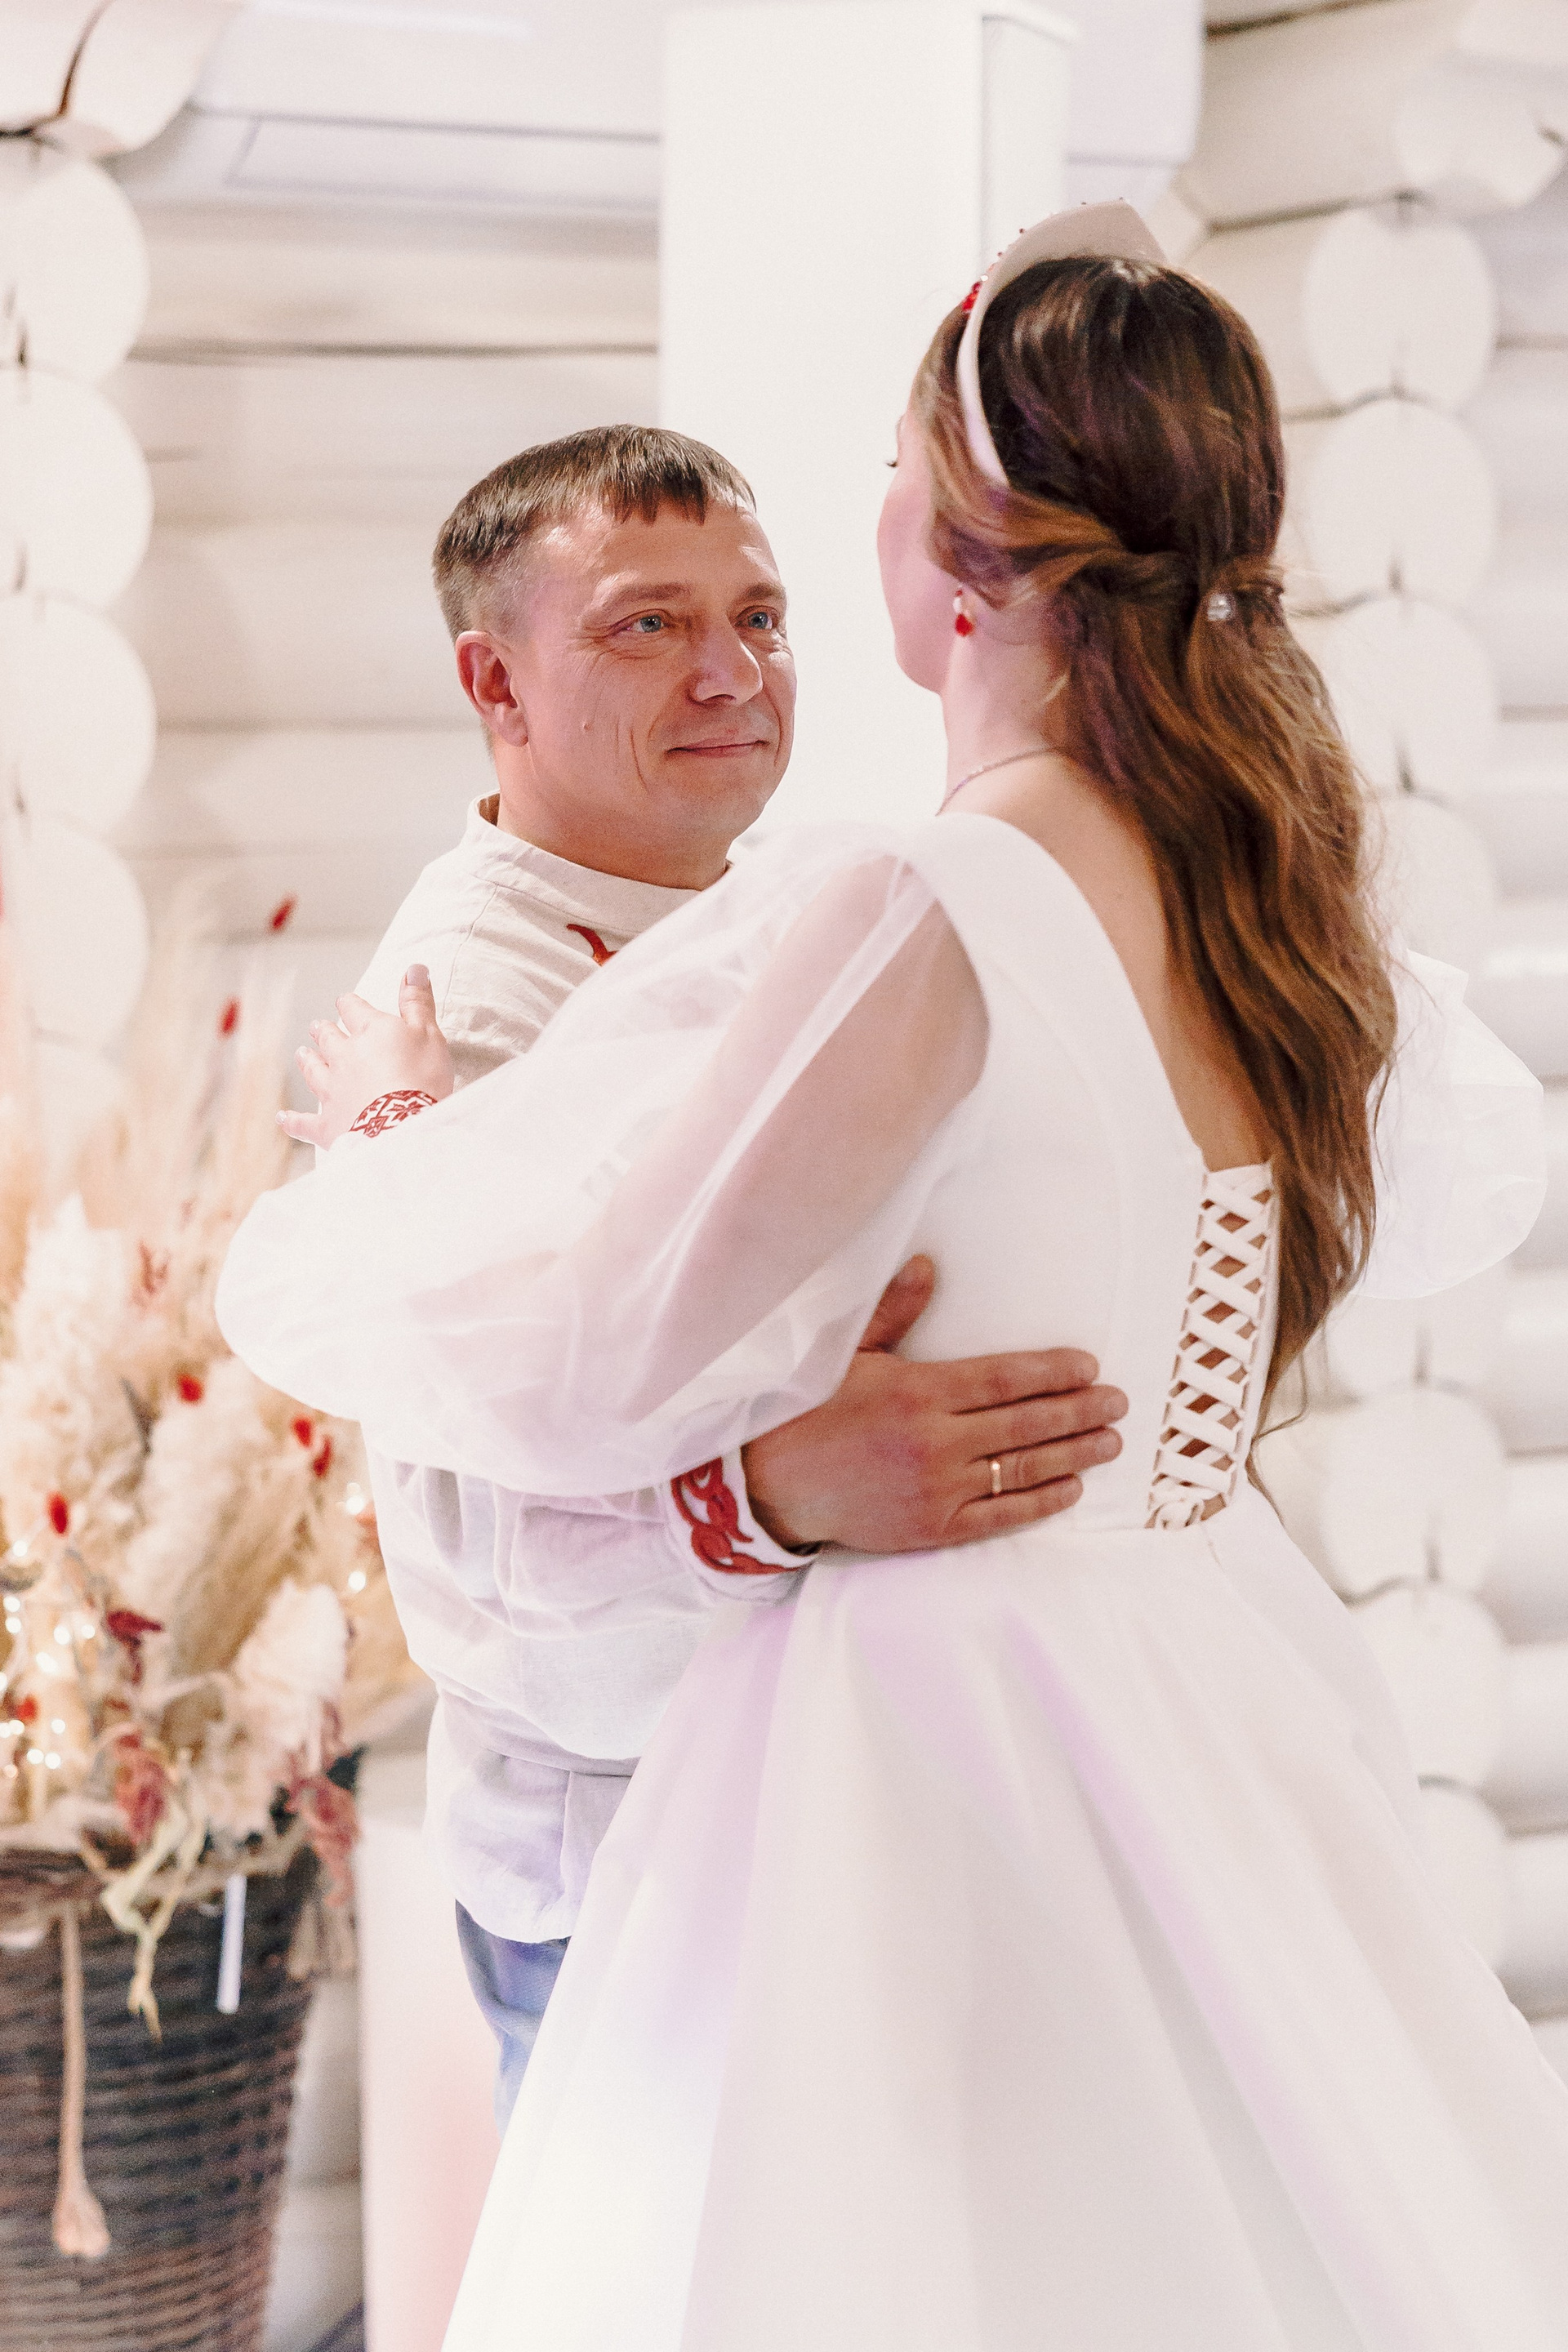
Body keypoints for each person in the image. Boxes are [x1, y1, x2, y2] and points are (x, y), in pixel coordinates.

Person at [220, 205, 1568, 2347]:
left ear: (949, 552)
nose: (734, 662)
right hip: (1180, 1703)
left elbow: (573, 1351)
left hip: (925, 1759)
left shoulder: (925, 906)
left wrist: (393, 1141)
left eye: (775, 585)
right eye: (652, 627)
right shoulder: (1255, 886)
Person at [289, 425, 1125, 2120]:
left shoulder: (769, 918)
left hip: (827, 1805)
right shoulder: (469, 1015)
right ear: (494, 682)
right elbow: (477, 1555)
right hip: (634, 1878)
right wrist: (772, 1483)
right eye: (646, 625)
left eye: (759, 616)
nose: (732, 672)